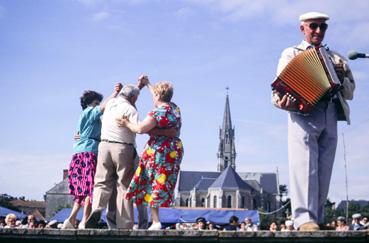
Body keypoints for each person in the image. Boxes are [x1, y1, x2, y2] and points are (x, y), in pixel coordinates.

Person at [272, 11, 355, 231]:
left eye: (323, 27)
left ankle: (317, 217)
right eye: (313, 26)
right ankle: (303, 218)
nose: (318, 31)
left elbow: (349, 93)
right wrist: (284, 100)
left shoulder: (336, 57)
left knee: (324, 168)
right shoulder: (291, 53)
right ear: (303, 28)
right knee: (304, 165)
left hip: (330, 113)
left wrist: (343, 75)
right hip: (303, 115)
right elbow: (281, 87)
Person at [117, 80, 184, 231]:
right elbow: (158, 94)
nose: (152, 97)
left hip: (159, 151)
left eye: (154, 94)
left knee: (153, 181)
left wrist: (126, 123)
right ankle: (154, 220)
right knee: (162, 181)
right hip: (174, 149)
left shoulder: (157, 112)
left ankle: (155, 221)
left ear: (158, 94)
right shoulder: (175, 109)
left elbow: (140, 129)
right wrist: (148, 84)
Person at [62, 83, 122, 229]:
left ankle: (71, 219)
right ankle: (84, 220)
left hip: (79, 154)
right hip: (89, 154)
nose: (98, 106)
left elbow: (79, 135)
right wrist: (115, 93)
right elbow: (102, 108)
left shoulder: (83, 118)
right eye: (96, 103)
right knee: (91, 187)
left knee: (82, 189)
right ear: (90, 104)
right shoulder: (90, 112)